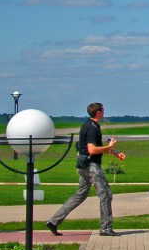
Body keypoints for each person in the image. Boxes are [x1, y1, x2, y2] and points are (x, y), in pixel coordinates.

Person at [45, 102, 126, 237]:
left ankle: (53, 221)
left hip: (83, 165)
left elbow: (95, 147)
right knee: (105, 194)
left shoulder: (91, 125)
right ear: (98, 113)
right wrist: (110, 146)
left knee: (80, 194)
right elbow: (92, 150)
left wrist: (115, 152)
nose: (104, 112)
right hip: (91, 166)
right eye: (103, 110)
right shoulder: (91, 127)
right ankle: (106, 228)